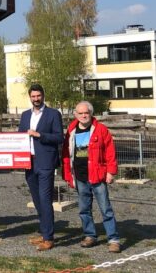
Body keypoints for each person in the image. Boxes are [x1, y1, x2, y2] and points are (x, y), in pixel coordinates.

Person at [62, 101, 122, 253]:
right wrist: (68, 174)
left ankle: (113, 239)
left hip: (98, 176)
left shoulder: (101, 130)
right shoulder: (71, 130)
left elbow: (110, 151)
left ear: (91, 113)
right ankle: (90, 236)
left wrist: (110, 172)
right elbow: (66, 153)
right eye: (80, 113)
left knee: (105, 208)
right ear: (75, 114)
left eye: (86, 113)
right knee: (84, 209)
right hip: (80, 176)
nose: (83, 115)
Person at [18, 84, 64, 251]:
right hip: (28, 162)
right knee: (37, 200)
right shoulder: (24, 115)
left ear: (43, 96)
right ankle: (44, 232)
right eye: (33, 96)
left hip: (45, 163)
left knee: (45, 200)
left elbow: (59, 137)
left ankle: (49, 238)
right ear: (30, 97)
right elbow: (19, 137)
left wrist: (39, 135)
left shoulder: (53, 114)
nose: (36, 99)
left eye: (38, 96)